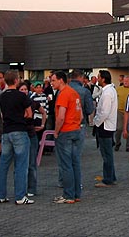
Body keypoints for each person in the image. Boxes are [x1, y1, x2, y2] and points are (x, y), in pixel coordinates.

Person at [0, 70, 33, 205]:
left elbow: (2, 115)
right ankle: (20, 196)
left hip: (7, 131)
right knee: (21, 165)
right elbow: (29, 114)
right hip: (20, 130)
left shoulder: (2, 96)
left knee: (4, 164)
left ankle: (1, 195)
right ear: (17, 81)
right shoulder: (22, 96)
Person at [51, 71, 83, 203]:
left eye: (53, 80)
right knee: (75, 163)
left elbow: (61, 116)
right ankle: (76, 194)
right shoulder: (74, 93)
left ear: (61, 80)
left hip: (66, 131)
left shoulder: (63, 94)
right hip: (76, 130)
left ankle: (68, 195)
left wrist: (56, 131)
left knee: (66, 165)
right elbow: (80, 115)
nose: (52, 83)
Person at [19, 83, 46, 197]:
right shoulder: (16, 104)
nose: (24, 91)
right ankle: (21, 187)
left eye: (25, 89)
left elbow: (43, 112)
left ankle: (32, 188)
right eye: (22, 89)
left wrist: (43, 124)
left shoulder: (33, 102)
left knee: (32, 163)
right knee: (21, 163)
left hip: (31, 133)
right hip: (20, 133)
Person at [93, 70, 117, 188]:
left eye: (99, 77)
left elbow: (105, 112)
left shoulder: (107, 93)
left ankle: (108, 178)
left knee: (106, 153)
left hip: (105, 125)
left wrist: (96, 121)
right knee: (108, 153)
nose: (97, 79)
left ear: (103, 79)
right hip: (107, 125)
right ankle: (111, 176)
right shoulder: (108, 91)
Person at [115, 75, 129, 151]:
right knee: (119, 128)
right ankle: (117, 142)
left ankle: (128, 145)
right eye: (124, 81)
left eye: (127, 81)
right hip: (120, 111)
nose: (125, 82)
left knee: (128, 129)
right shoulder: (118, 89)